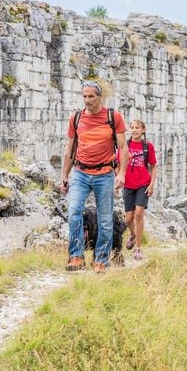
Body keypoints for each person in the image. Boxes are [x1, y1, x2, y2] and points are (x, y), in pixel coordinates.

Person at [60, 80, 128, 272]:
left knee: (105, 219)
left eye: (91, 96)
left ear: (100, 97)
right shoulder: (76, 118)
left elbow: (123, 148)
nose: (87, 100)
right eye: (84, 96)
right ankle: (76, 257)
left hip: (104, 174)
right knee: (74, 213)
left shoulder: (113, 117)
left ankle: (101, 260)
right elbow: (70, 148)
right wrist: (64, 175)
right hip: (80, 173)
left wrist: (121, 174)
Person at [122, 120, 158, 261]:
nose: (134, 130)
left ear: (143, 130)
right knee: (129, 219)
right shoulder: (125, 145)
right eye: (132, 127)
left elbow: (154, 166)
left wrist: (151, 184)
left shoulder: (147, 146)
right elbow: (118, 164)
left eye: (137, 127)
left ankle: (137, 248)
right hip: (128, 185)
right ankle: (132, 234)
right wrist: (118, 178)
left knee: (138, 214)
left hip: (143, 184)